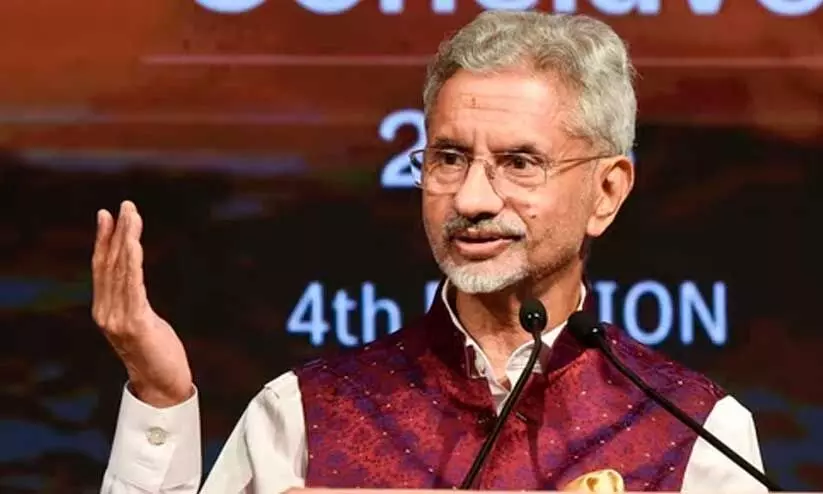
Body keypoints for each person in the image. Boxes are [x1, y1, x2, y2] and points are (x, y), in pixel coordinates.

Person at [94, 10, 767, 494]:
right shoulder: (305, 412)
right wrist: (160, 398)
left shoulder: (694, 431)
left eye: (518, 163)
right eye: (448, 157)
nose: (471, 197)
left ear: (606, 191)